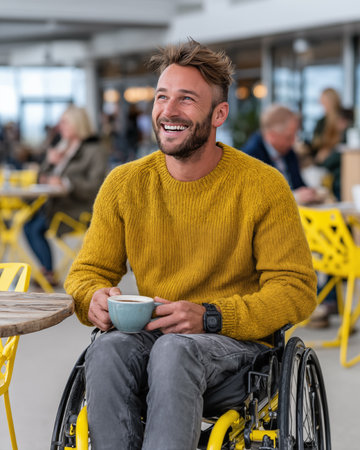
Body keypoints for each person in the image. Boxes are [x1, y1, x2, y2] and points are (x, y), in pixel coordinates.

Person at [65, 39, 316, 450]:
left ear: (219, 113)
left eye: (186, 99)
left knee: (175, 352)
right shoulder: (125, 184)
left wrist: (211, 317)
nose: (168, 110)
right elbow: (86, 273)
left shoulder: (262, 186)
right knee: (107, 351)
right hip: (153, 336)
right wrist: (90, 296)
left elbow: (296, 290)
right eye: (162, 97)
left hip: (237, 350)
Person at [24, 105, 108, 285]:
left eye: (64, 122)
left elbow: (96, 186)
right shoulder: (63, 146)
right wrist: (50, 162)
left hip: (76, 209)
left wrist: (67, 183)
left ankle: (48, 272)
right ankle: (48, 271)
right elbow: (42, 177)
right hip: (55, 206)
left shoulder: (94, 150)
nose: (60, 126)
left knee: (36, 227)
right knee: (28, 225)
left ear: (77, 124)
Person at [242, 104, 320, 205]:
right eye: (289, 137)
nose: (293, 142)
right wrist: (293, 197)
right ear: (271, 136)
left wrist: (310, 193)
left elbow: (299, 185)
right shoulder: (250, 157)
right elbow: (254, 200)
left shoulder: (288, 152)